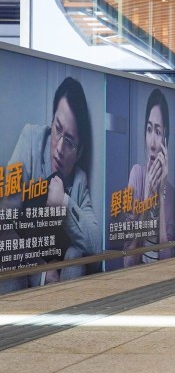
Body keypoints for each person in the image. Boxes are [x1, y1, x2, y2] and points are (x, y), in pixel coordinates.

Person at [0, 76, 100, 290]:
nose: (59, 149)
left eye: (70, 142)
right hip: (26, 264)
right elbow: (4, 221)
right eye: (57, 129)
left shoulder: (79, 180)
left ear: (80, 150)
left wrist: (63, 204)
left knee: (76, 255)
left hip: (61, 265)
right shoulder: (31, 140)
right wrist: (43, 273)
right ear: (52, 121)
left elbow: (96, 246)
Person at [123, 88, 175, 265]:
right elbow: (129, 261)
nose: (152, 144)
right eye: (149, 129)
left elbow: (167, 262)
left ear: (165, 140)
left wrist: (160, 196)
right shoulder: (136, 175)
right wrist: (146, 201)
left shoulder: (171, 192)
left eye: (158, 132)